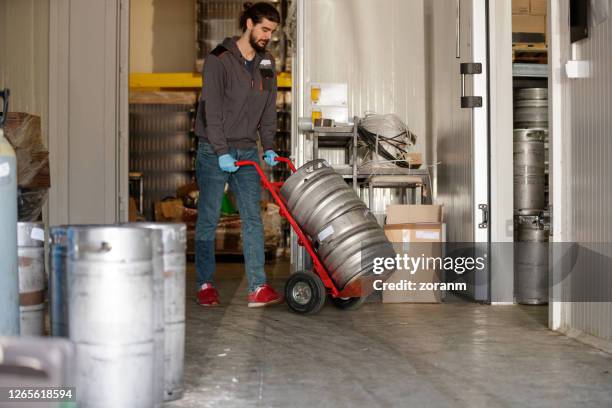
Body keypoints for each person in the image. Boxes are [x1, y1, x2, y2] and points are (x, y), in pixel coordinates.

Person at [194, 2, 283, 308]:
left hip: (247, 149)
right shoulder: (219, 60)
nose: (268, 36)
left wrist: (269, 146)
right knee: (208, 218)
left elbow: (268, 110)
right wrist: (220, 151)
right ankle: (205, 284)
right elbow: (212, 111)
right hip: (213, 149)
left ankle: (258, 286)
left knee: (252, 219)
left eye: (272, 31)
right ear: (248, 23)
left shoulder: (267, 63)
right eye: (264, 29)